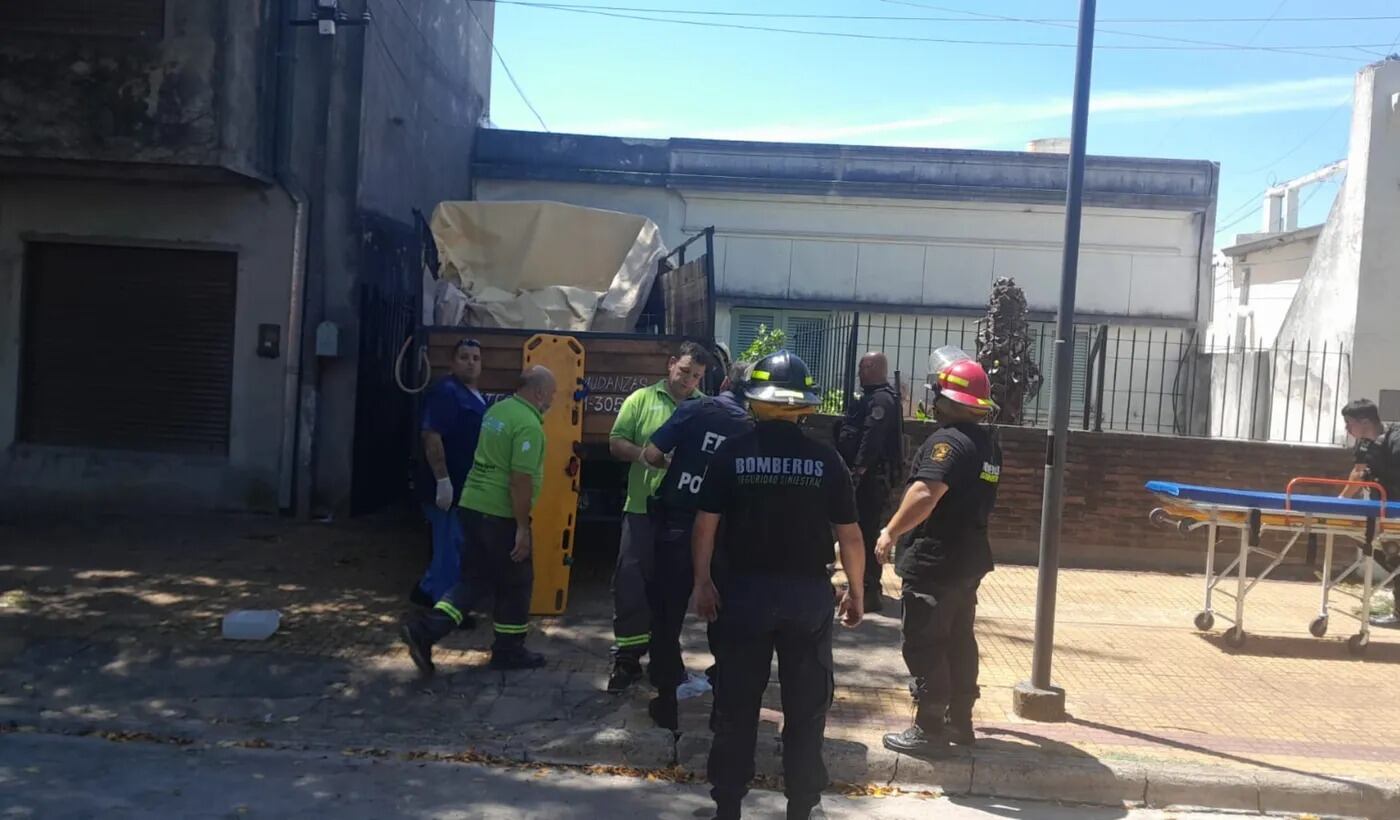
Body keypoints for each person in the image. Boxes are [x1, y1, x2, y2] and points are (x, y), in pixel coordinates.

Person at [692, 349, 865, 820]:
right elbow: (849, 535)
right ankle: (802, 809)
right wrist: (857, 591)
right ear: (804, 405)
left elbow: (705, 525)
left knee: (736, 706)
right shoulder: (827, 462)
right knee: (806, 711)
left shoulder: (732, 454)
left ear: (754, 401)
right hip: (806, 599)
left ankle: (728, 806)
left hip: (742, 597)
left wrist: (702, 583)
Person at [876, 349, 1000, 758]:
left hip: (936, 561)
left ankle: (929, 728)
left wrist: (890, 533)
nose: (932, 402)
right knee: (959, 640)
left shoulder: (946, 442)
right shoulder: (987, 445)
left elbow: (926, 493)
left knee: (926, 642)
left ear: (949, 401)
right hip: (967, 561)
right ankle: (960, 722)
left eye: (937, 395)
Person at [400, 365, 556, 674]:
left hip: (472, 505)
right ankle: (509, 650)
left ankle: (425, 631)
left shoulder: (498, 411)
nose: (552, 400)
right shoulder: (528, 425)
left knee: (474, 578)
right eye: (551, 394)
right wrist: (523, 528)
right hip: (499, 513)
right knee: (517, 581)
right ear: (539, 392)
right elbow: (520, 480)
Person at [638, 361, 755, 730]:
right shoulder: (750, 428)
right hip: (723, 534)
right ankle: (722, 698)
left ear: (723, 382)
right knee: (723, 616)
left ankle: (667, 700)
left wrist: (679, 464)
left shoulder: (692, 409)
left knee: (666, 615)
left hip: (677, 524)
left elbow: (651, 454)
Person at [606, 341, 713, 692]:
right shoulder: (641, 400)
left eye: (696, 376)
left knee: (673, 588)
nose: (688, 381)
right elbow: (616, 442)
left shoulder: (705, 408)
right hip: (641, 508)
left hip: (684, 516)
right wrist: (646, 457)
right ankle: (627, 659)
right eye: (684, 372)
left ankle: (665, 656)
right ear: (670, 365)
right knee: (632, 583)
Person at [411, 338, 488, 610]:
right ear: (452, 362)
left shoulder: (473, 394)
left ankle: (425, 590)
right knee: (450, 546)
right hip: (447, 485)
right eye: (464, 357)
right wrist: (443, 481)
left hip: (464, 485)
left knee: (452, 542)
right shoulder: (446, 392)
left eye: (476, 358)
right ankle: (446, 608)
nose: (471, 362)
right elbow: (432, 436)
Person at [835, 351, 902, 612]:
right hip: (867, 478)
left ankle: (869, 589)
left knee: (866, 533)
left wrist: (858, 471)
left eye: (863, 368)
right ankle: (861, 584)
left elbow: (871, 438)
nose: (859, 373)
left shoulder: (882, 400)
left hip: (872, 480)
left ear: (874, 367)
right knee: (861, 531)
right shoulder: (874, 397)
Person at [1339, 399, 1400, 627]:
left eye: (1349, 423)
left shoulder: (1396, 441)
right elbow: (1358, 474)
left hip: (1395, 508)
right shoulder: (1364, 446)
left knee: (1394, 556)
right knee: (1384, 553)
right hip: (1383, 510)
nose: (1347, 429)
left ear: (1365, 421)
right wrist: (1341, 502)